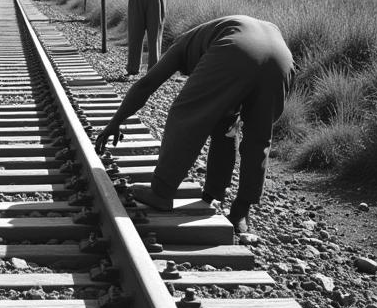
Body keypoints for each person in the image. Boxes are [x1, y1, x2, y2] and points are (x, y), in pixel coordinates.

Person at [94, 15, 295, 234]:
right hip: (282, 59)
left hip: (235, 51)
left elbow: (146, 84)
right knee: (252, 135)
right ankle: (237, 211)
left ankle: (161, 192)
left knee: (185, 114)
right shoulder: (216, 34)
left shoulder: (182, 45)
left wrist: (115, 121)